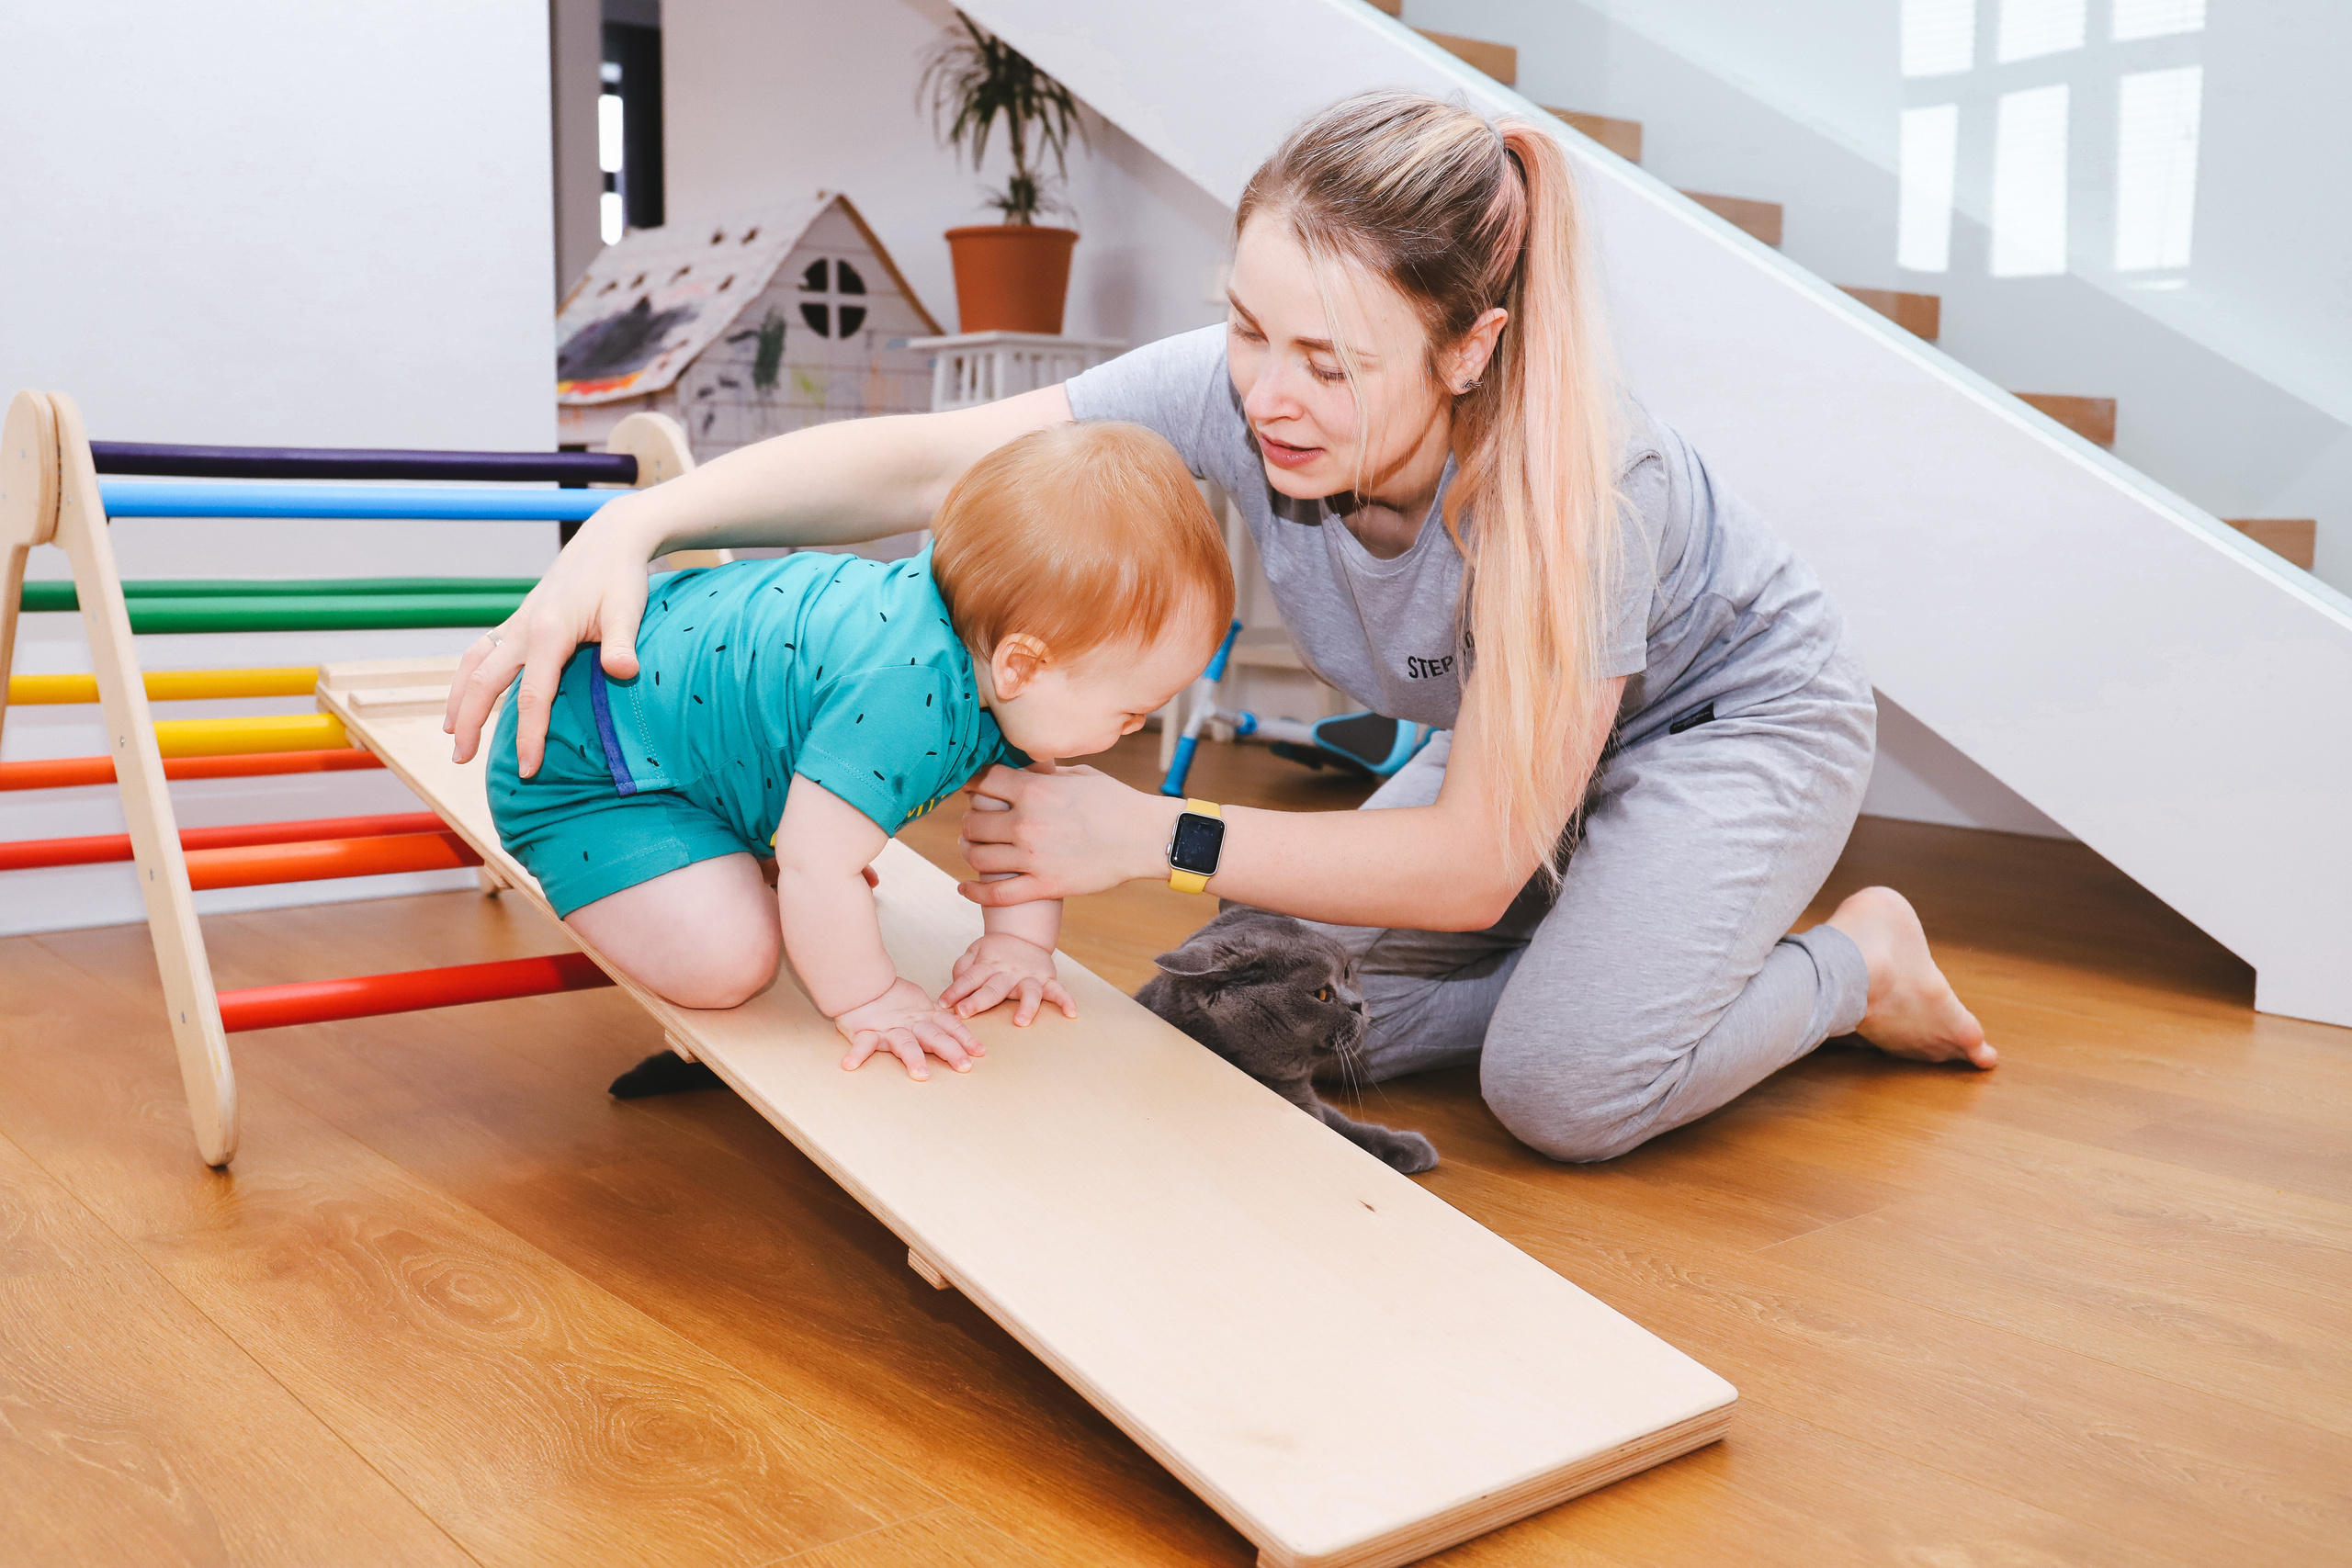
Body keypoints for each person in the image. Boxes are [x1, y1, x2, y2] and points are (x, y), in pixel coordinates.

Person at [452, 91, 1993, 1163]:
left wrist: (1152, 836)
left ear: (1472, 350)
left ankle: (1855, 962)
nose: (1268, 392)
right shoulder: (1251, 386)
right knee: (1220, 1015)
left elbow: (1467, 859)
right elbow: (940, 456)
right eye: (1248, 329)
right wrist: (640, 526)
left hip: (1732, 722)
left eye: (1326, 361)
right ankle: (1617, 939)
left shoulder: (1581, 488)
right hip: (1514, 757)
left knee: (1565, 1091)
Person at [485, 421, 1232, 1081]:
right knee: (733, 960)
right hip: (586, 767)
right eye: (1131, 710)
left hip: (682, 738)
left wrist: (1019, 950)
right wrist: (868, 996)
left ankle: (737, 846)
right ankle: (693, 857)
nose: (1131, 731)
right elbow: (818, 865)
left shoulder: (995, 646)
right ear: (1023, 666)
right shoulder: (902, 691)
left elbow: (1026, 826)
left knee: (818, 856)